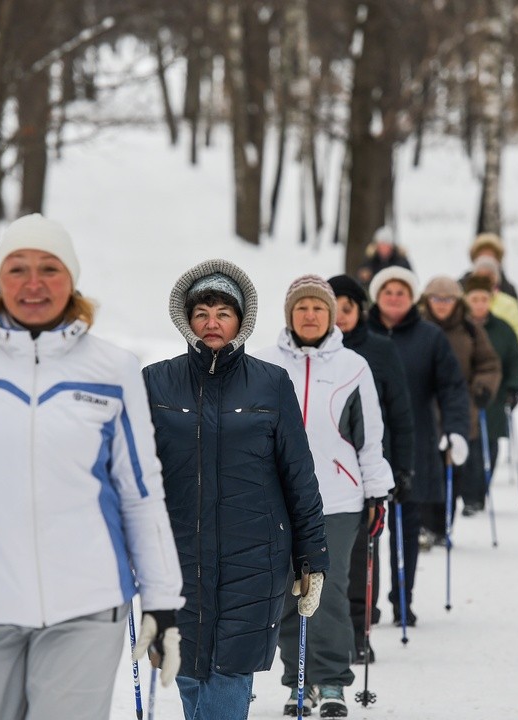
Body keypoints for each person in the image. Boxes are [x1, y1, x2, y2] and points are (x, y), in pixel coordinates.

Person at [0, 214, 184, 720]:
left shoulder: (113, 370)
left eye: (50, 268)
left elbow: (140, 492)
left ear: (72, 279)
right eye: (17, 268)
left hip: (87, 607)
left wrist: (162, 600)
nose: (34, 283)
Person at [142, 260, 329, 720]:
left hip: (253, 557)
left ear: (241, 320)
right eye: (202, 311)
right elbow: (132, 477)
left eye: (223, 312)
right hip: (177, 556)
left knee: (229, 672)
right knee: (185, 668)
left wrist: (313, 560)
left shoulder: (270, 383)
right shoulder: (154, 382)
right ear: (186, 319)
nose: (212, 322)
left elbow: (299, 476)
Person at [255, 275, 394, 718]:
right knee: (286, 590)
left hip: (337, 498)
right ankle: (299, 682)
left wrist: (377, 492)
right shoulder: (263, 363)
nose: (310, 315)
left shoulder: (353, 366)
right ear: (289, 314)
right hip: (278, 498)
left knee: (328, 591)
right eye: (301, 308)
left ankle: (332, 680)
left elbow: (369, 439)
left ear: (331, 316)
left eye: (318, 307)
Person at [366, 266, 469, 625]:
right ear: (377, 296)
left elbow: (452, 387)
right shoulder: (359, 335)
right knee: (368, 530)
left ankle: (402, 599)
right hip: (368, 447)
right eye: (388, 291)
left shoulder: (430, 337)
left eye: (401, 292)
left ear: (412, 298)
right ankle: (365, 603)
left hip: (415, 444)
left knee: (407, 527)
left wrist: (456, 430)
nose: (394, 298)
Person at [327, 273, 415, 663]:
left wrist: (403, 469)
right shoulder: (310, 355)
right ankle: (322, 632)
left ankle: (360, 630)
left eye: (348, 308)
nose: (340, 316)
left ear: (359, 310)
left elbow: (401, 414)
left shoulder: (378, 350)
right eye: (335, 308)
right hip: (320, 473)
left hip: (366, 471)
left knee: (362, 553)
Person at [417, 275, 501, 535]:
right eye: (436, 299)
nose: (441, 304)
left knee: (451, 470)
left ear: (457, 302)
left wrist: (483, 388)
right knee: (423, 468)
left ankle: (442, 527)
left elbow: (489, 364)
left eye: (448, 299)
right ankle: (422, 525)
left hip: (459, 408)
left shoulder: (471, 330)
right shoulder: (416, 328)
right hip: (422, 408)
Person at [462, 274, 518, 512]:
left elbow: (515, 361)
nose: (479, 304)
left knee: (489, 446)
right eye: (474, 299)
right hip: (466, 397)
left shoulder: (503, 330)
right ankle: (468, 496)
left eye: (483, 299)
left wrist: (514, 387)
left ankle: (480, 493)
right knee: (468, 448)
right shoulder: (461, 328)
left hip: (495, 399)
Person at [470, 255, 518, 347]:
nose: (484, 279)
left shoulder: (509, 303)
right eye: (480, 274)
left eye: (489, 275)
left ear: (496, 277)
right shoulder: (464, 301)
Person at [458, 231, 518, 303]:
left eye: (490, 257)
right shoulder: (461, 286)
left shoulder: (507, 289)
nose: (486, 261)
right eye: (482, 256)